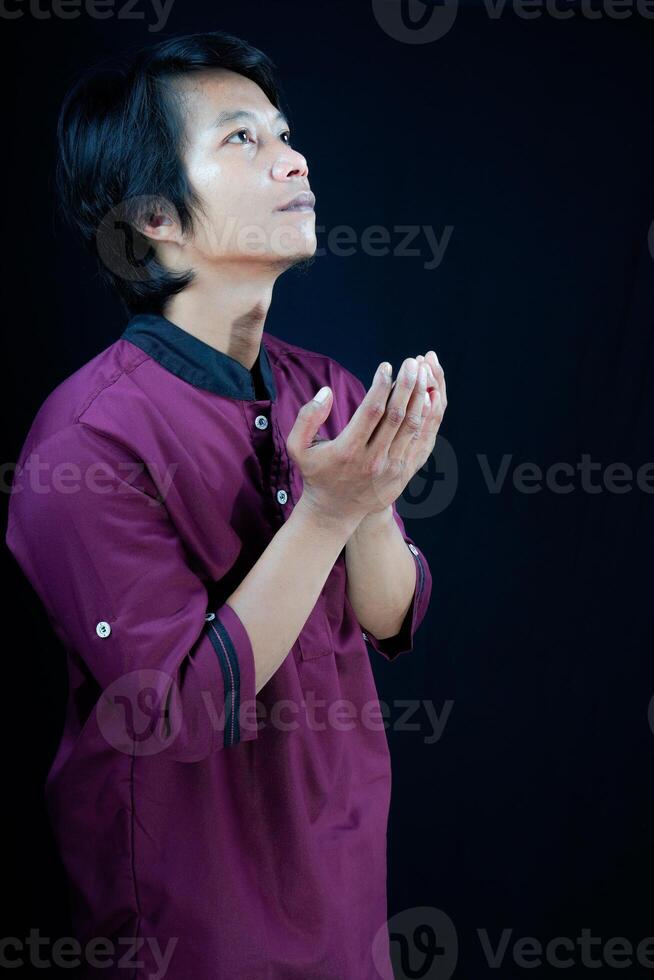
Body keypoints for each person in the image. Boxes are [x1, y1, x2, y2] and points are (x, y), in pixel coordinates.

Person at [5, 30, 446, 980]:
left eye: (285, 134)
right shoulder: (88, 440)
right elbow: (174, 713)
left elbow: (391, 613)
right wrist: (324, 515)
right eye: (242, 140)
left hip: (344, 899)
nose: (294, 158)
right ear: (153, 216)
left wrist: (370, 499)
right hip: (192, 929)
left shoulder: (318, 383)